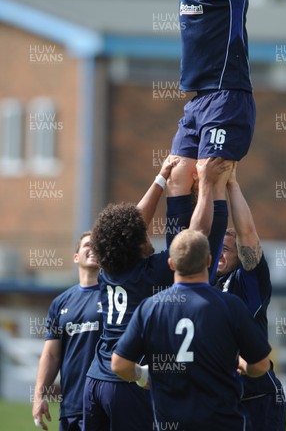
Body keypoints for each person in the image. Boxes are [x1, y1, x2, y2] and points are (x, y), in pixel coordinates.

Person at [83, 156, 231, 431]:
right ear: (137, 245)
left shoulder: (107, 270)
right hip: (126, 383)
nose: (148, 236)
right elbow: (197, 233)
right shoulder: (150, 273)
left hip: (94, 381)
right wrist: (208, 184)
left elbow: (130, 224)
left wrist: (161, 179)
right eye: (145, 237)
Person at [144, 0, 267, 194]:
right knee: (178, 175)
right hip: (198, 99)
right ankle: (178, 245)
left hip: (228, 95)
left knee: (209, 174)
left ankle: (206, 245)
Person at [112, 228, 272, 431]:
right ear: (208, 261)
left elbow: (119, 365)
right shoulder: (230, 305)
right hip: (223, 422)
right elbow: (261, 365)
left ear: (171, 263)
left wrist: (142, 374)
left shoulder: (151, 307)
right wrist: (246, 367)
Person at [215, 163, 286, 430]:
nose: (219, 254)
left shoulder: (247, 282)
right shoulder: (202, 283)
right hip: (222, 400)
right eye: (216, 249)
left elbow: (248, 236)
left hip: (258, 399)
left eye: (226, 249)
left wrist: (231, 184)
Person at [32, 232, 102, 431]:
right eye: (88, 244)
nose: (94, 248)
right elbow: (51, 355)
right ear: (76, 257)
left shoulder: (115, 296)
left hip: (107, 404)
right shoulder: (60, 303)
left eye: (99, 245)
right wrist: (39, 397)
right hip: (72, 406)